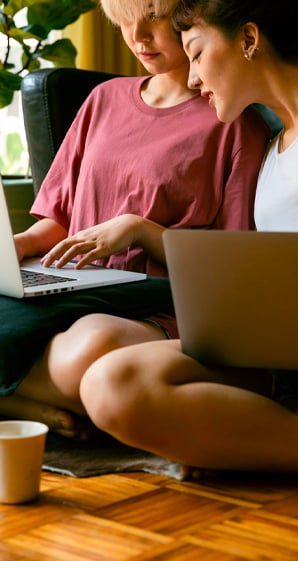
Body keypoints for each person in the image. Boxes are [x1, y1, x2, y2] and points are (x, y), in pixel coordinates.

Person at [0, 0, 269, 438]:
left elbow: (231, 264)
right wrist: (18, 247)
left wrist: (140, 231)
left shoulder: (235, 124)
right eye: (125, 21)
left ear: (189, 15)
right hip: (69, 284)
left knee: (91, 347)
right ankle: (20, 401)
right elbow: (59, 222)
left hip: (158, 306)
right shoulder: (102, 100)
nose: (137, 36)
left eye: (154, 17)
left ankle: (17, 397)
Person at [78, 0, 298, 472]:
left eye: (196, 54)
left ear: (249, 41)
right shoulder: (274, 150)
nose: (194, 79)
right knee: (109, 383)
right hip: (271, 350)